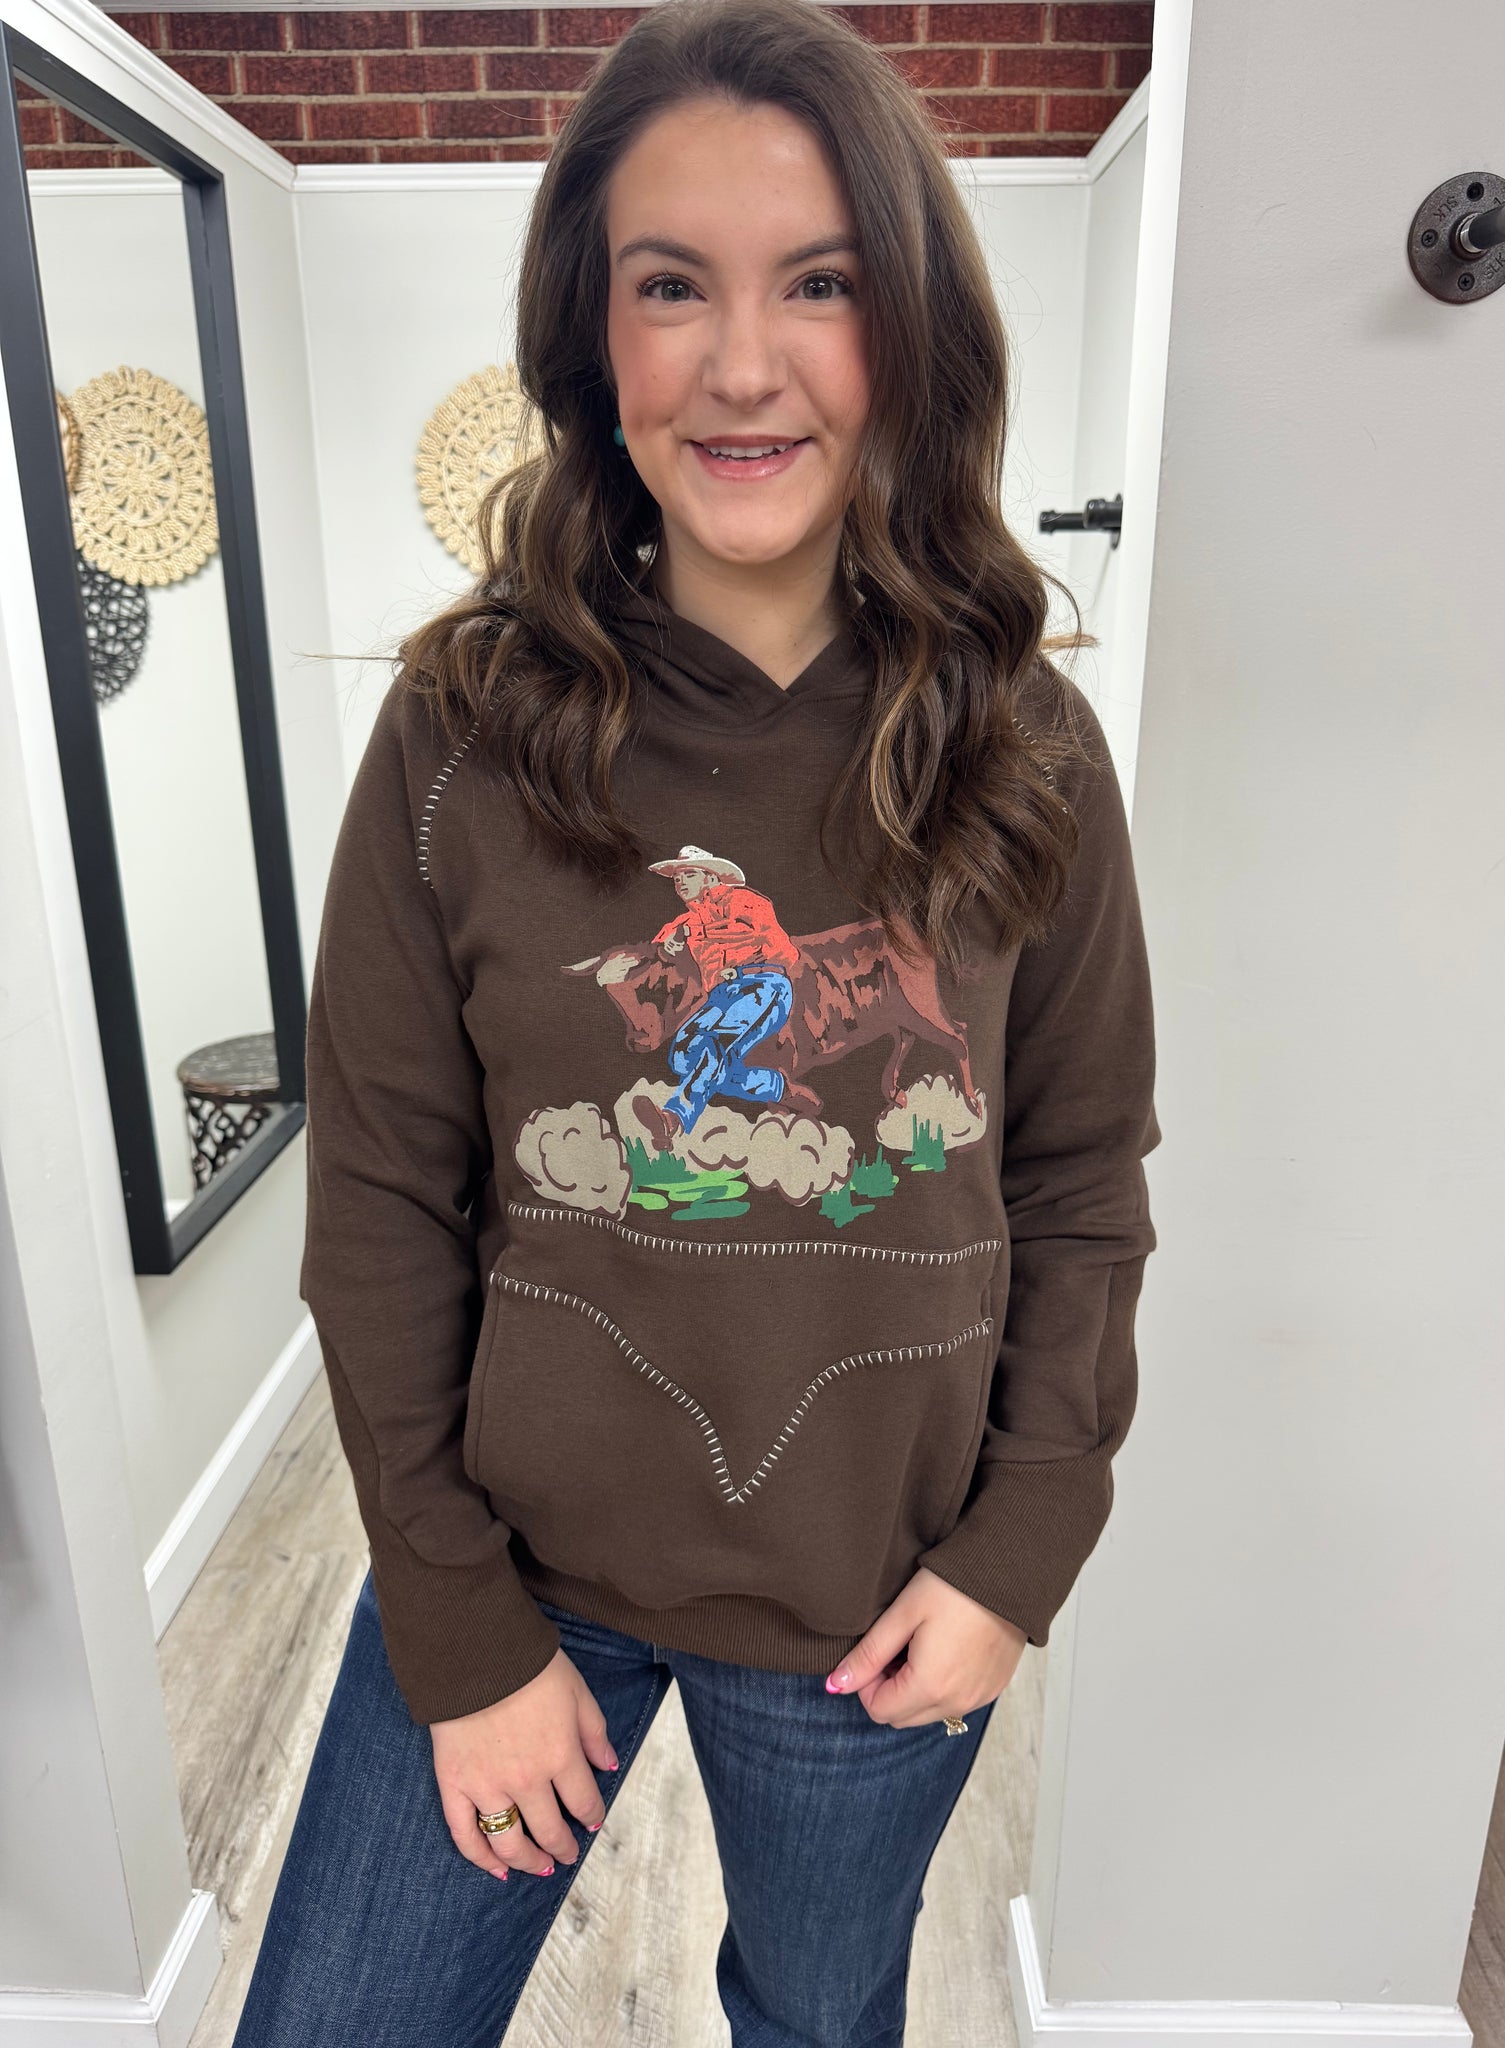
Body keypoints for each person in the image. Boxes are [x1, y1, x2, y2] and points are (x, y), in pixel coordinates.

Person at [231, 0, 1159, 2040]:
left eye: (819, 282)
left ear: (909, 327)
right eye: (673, 286)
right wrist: (458, 1626)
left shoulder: (1029, 749)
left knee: (819, 2022)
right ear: (594, 338)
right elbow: (378, 1198)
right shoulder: (461, 735)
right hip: (517, 1569)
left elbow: (1086, 1181)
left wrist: (1022, 1546)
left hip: (874, 1607)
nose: (744, 364)